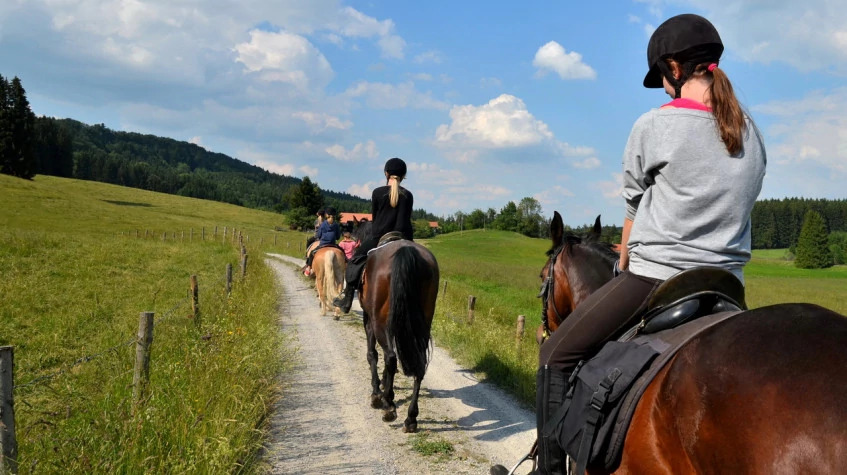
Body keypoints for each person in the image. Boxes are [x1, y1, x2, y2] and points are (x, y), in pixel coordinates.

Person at [533, 14, 766, 474]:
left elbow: (633, 212)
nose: (662, 87)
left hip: (655, 279)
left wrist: (623, 263)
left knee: (553, 355)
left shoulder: (654, 125)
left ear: (675, 69)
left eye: (662, 76)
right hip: (728, 286)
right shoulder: (751, 134)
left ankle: (547, 470)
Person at [332, 157, 414, 312]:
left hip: (380, 237)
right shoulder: (408, 196)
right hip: (404, 238)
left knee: (355, 261)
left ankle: (347, 300)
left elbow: (376, 221)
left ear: (386, 173)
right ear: (404, 176)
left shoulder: (377, 193)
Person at [303, 207, 341, 276]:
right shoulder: (336, 225)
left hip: (323, 244)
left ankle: (308, 268)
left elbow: (319, 235)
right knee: (342, 252)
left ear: (326, 215)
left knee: (311, 253)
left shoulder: (323, 224)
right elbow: (338, 237)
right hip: (333, 244)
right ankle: (345, 265)